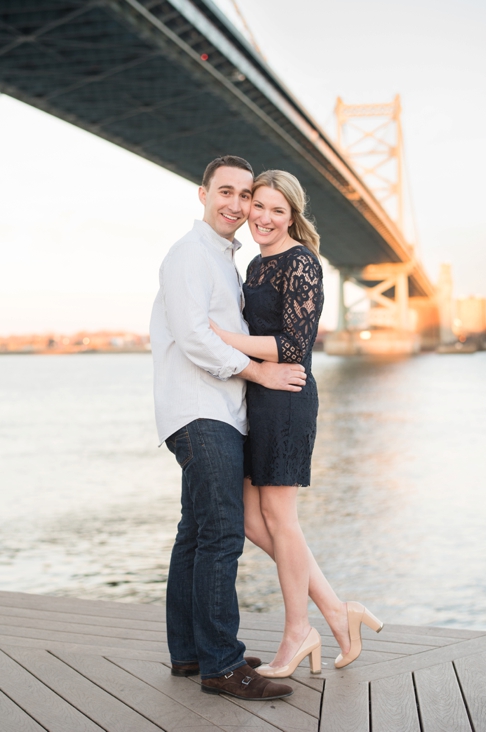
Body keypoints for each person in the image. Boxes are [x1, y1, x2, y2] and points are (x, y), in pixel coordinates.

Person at [210, 170, 382, 678]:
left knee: (282, 520)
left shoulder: (301, 262)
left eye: (276, 211)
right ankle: (335, 609)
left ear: (293, 217)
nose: (263, 217)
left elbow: (295, 345)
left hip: (286, 398)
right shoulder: (256, 264)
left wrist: (222, 337)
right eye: (257, 206)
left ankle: (296, 632)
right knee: (250, 519)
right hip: (256, 397)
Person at [150, 155, 307, 700]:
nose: (238, 205)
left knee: (195, 534)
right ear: (203, 194)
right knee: (221, 535)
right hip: (201, 412)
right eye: (228, 192)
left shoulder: (224, 259)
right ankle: (223, 665)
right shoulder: (190, 255)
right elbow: (194, 338)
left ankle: (192, 652)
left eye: (246, 195)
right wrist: (261, 371)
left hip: (213, 411)